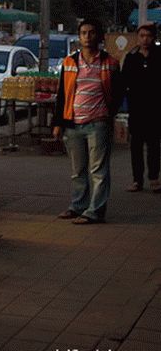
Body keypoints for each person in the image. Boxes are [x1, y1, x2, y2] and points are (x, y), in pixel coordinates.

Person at [52, 19, 123, 225]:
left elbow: (118, 93)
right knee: (77, 170)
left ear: (99, 36)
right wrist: (58, 123)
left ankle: (95, 211)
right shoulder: (69, 63)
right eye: (83, 33)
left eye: (91, 32)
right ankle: (77, 206)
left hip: (98, 124)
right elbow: (62, 95)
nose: (87, 36)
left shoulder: (110, 63)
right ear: (79, 36)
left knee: (98, 170)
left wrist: (108, 114)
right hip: (73, 124)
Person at [122, 23, 161, 193]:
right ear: (138, 38)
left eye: (148, 36)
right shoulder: (131, 57)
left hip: (155, 108)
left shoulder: (159, 56)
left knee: (154, 145)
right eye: (142, 36)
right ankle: (137, 179)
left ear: (153, 38)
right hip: (136, 108)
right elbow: (124, 82)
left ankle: (154, 178)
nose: (145, 39)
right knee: (136, 146)